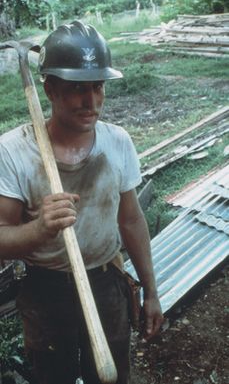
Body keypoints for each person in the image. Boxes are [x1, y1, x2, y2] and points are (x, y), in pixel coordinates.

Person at [0, 20, 163, 384]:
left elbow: (131, 221)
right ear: (50, 89)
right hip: (46, 291)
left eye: (98, 87)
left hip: (107, 283)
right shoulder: (14, 152)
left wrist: (151, 292)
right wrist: (39, 230)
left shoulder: (117, 142)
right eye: (77, 89)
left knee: (112, 375)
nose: (91, 102)